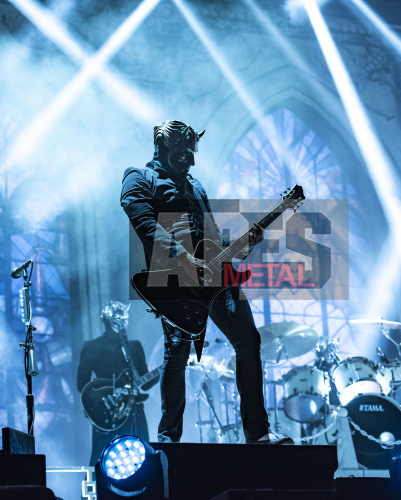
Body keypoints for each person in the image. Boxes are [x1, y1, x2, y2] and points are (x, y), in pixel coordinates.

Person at [120, 120, 292, 444]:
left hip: (215, 277)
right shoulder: (138, 178)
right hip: (172, 280)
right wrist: (182, 257)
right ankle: (169, 436)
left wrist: (244, 245)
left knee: (248, 341)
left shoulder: (196, 186)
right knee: (177, 351)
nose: (192, 160)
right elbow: (144, 222)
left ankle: (259, 434)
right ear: (163, 146)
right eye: (185, 152)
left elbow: (211, 237)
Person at [77, 301, 158, 465]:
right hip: (106, 411)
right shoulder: (92, 346)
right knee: (102, 458)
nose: (124, 322)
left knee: (142, 456)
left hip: (132, 408)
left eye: (125, 318)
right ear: (111, 321)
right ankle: (98, 489)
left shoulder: (133, 346)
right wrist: (108, 393)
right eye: (122, 319)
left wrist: (165, 370)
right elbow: (82, 384)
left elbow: (145, 383)